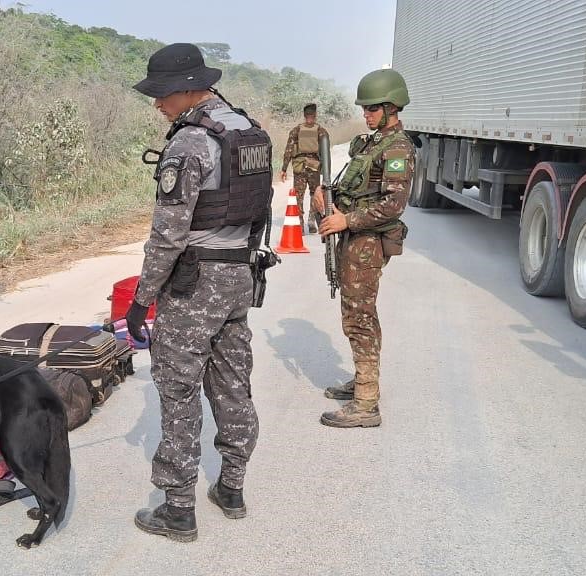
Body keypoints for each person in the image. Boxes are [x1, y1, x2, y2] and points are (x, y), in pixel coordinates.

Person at [125, 43, 270, 542]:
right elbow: (258, 212)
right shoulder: (249, 131)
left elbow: (168, 233)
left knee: (179, 389)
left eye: (161, 94)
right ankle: (231, 487)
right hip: (238, 277)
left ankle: (177, 507)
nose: (156, 103)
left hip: (195, 285)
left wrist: (143, 298)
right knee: (233, 381)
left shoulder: (190, 143)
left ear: (187, 90)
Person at [312, 69, 414, 428]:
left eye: (372, 109)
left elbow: (393, 205)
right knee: (356, 311)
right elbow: (358, 189)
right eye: (365, 109)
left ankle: (367, 403)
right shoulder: (371, 143)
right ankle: (362, 381)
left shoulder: (399, 149)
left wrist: (347, 222)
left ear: (391, 107)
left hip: (368, 243)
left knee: (359, 316)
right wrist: (329, 199)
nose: (366, 114)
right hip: (356, 239)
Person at [279, 103, 329, 233]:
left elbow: (289, 150)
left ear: (305, 115)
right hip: (314, 167)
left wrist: (284, 168)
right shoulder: (321, 131)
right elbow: (325, 152)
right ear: (315, 115)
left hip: (300, 166)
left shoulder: (297, 130)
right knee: (314, 194)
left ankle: (301, 224)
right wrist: (325, 172)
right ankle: (311, 221)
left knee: (299, 196)